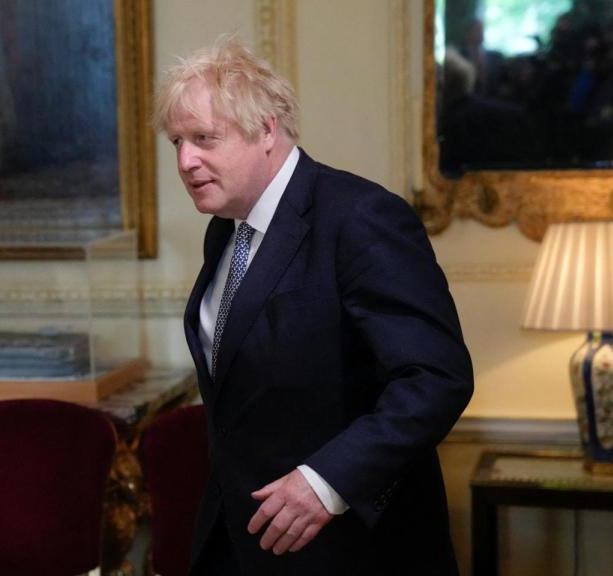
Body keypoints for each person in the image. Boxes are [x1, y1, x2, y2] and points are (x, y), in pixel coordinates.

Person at [153, 36, 473, 575]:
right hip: (241, 542)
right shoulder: (225, 232)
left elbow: (435, 378)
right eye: (177, 141)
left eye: (204, 138)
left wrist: (326, 483)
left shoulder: (360, 217)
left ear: (267, 130)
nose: (186, 161)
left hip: (351, 549)